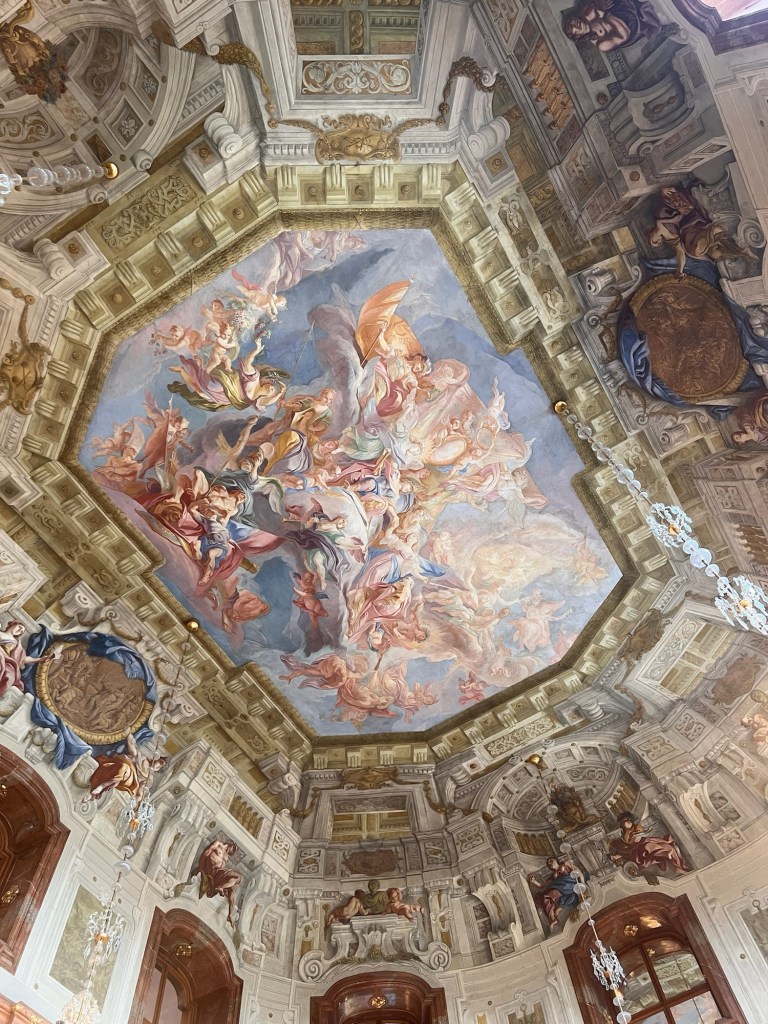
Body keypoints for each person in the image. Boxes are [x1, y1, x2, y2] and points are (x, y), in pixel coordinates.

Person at [88, 732, 167, 801]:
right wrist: (129, 739)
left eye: (159, 767)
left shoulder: (149, 778)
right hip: (126, 769)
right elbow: (134, 753)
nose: (158, 766)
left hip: (131, 782)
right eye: (159, 763)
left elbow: (141, 789)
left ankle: (102, 786)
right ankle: (101, 787)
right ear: (155, 759)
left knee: (124, 768)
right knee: (123, 768)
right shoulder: (144, 759)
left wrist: (138, 798)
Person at [608, 813, 690, 876]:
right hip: (637, 852)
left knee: (666, 846)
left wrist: (638, 836)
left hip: (643, 842)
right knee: (648, 847)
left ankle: (677, 866)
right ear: (622, 824)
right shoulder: (623, 837)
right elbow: (626, 849)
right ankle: (666, 854)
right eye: (626, 820)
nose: (629, 821)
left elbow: (642, 833)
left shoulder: (636, 827)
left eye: (629, 819)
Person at [563, 0, 661, 51]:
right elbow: (624, 35)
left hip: (622, 7)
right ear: (577, 36)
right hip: (632, 24)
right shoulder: (601, 44)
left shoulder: (586, 11)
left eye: (571, 20)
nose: (574, 23)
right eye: (571, 27)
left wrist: (600, 3)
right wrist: (606, 15)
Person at [528, 858, 585, 928]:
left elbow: (578, 872)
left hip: (569, 885)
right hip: (560, 888)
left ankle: (556, 912)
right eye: (548, 863)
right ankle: (552, 919)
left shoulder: (565, 864)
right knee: (546, 897)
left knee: (549, 895)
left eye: (551, 860)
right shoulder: (553, 875)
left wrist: (583, 885)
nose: (550, 863)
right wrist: (534, 881)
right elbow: (543, 885)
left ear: (556, 860)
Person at [196, 838, 242, 925]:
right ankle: (220, 887)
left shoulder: (226, 856)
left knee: (232, 889)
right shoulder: (218, 844)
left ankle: (230, 915)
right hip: (212, 871)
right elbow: (206, 852)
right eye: (233, 849)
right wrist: (201, 869)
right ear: (231, 844)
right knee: (238, 877)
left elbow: (222, 867)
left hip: (218, 874)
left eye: (233, 852)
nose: (231, 852)